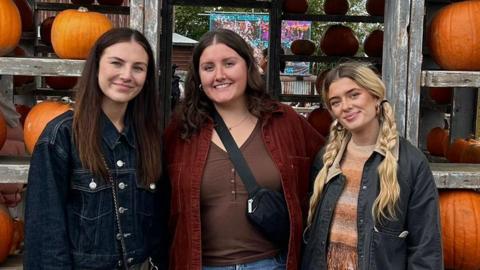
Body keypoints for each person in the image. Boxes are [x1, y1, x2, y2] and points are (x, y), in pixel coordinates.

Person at [163, 28, 325, 270]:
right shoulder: (181, 131)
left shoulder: (283, 120)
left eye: (229, 63)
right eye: (208, 67)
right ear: (198, 77)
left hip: (272, 264)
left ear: (248, 67)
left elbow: (330, 164)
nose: (219, 75)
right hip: (202, 265)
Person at [24, 28, 169, 269]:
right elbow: (45, 236)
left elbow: (159, 229)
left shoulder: (150, 139)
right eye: (116, 63)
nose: (126, 75)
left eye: (138, 68)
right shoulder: (62, 136)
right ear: (97, 66)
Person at [302, 62, 443, 270]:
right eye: (335, 102)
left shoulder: (410, 163)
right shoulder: (326, 159)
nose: (346, 106)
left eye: (354, 95)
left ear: (376, 96)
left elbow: (425, 248)